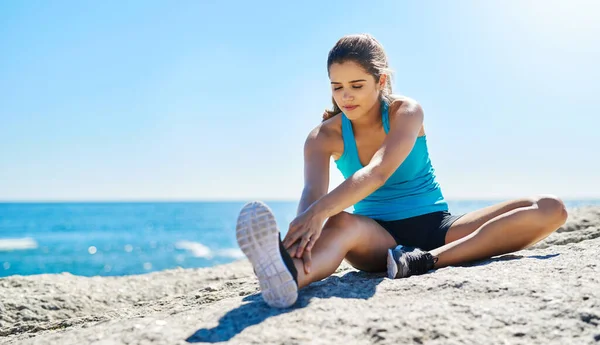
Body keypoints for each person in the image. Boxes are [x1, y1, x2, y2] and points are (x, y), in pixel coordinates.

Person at [235, 33, 568, 309]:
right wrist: (302, 236)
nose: (346, 96)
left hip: (437, 228)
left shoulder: (406, 112)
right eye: (337, 87)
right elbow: (312, 198)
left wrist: (320, 210)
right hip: (376, 238)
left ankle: (427, 261)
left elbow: (378, 171)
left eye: (356, 84)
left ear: (380, 81)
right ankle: (286, 276)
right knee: (339, 223)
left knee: (550, 208)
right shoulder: (322, 137)